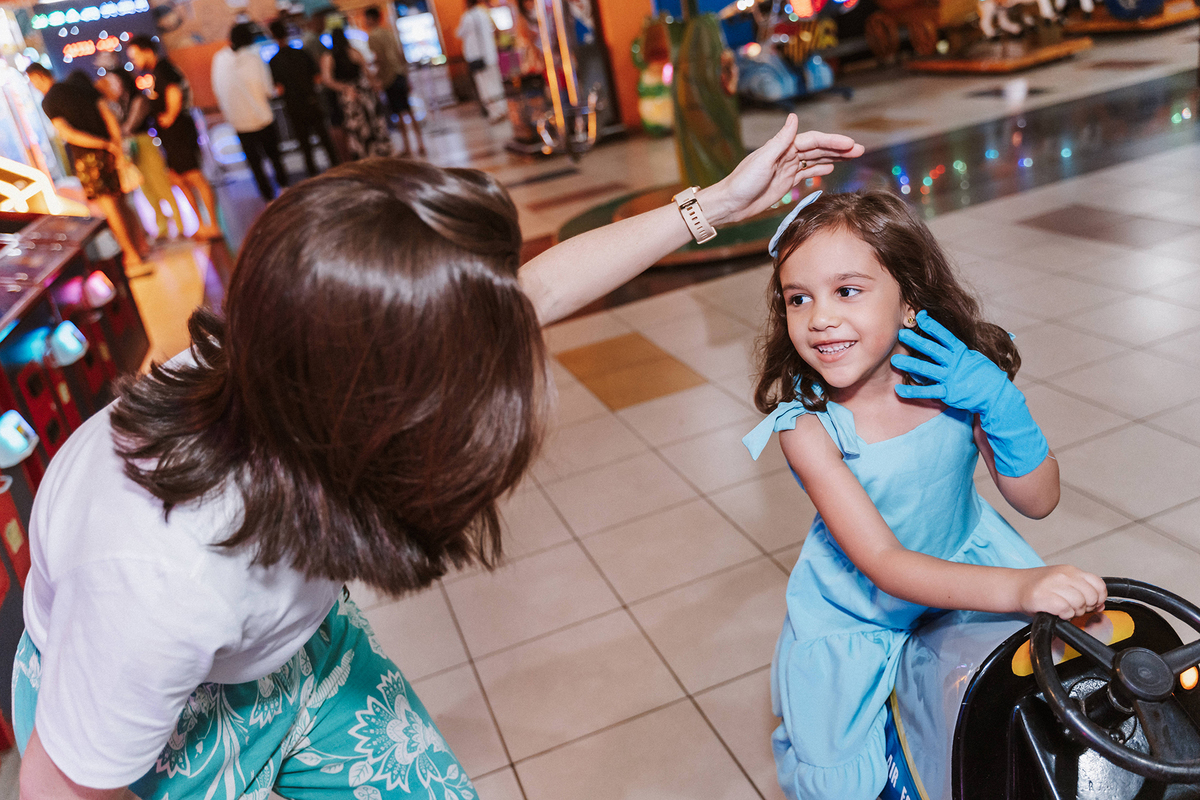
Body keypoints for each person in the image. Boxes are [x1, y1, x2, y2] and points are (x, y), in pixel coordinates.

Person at [12, 115, 863, 799]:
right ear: (391, 416)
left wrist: (713, 203)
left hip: (284, 647)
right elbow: (64, 784)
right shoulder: (160, 579)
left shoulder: (316, 356)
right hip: (148, 721)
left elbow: (540, 289)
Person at [740, 190, 1107, 800]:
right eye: (798, 298)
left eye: (847, 291)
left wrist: (1000, 403)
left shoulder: (955, 381)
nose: (819, 318)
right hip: (859, 607)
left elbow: (1038, 499)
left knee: (1026, 725)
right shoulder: (805, 427)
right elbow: (884, 565)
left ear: (910, 298)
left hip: (966, 563)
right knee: (847, 771)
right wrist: (1020, 588)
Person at [25, 64, 148, 276]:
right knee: (122, 201)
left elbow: (68, 133)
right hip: (110, 150)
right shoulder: (78, 86)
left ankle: (132, 256)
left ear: (38, 77)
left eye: (32, 80)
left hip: (88, 158)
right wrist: (114, 145)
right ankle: (143, 246)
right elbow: (107, 114)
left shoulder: (49, 101)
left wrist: (100, 144)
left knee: (110, 208)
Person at [126, 35, 222, 239]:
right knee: (178, 178)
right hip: (172, 137)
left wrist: (170, 115)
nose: (134, 61)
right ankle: (201, 225)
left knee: (194, 177)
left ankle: (212, 225)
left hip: (179, 134)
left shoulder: (163, 69)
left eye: (135, 56)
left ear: (147, 51)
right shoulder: (158, 71)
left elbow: (174, 91)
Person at [99, 68, 186, 241]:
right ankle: (161, 228)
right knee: (146, 189)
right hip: (131, 147)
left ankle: (180, 225)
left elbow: (129, 125)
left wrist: (116, 129)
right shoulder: (118, 103)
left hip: (144, 142)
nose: (114, 86)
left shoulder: (138, 99)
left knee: (161, 184)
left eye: (115, 81)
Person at [211, 22, 289, 202]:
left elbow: (217, 90)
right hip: (262, 117)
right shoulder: (254, 58)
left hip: (239, 121)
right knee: (274, 156)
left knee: (254, 162)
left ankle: (267, 196)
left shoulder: (219, 59)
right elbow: (268, 90)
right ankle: (284, 188)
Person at [268, 19, 340, 177]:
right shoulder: (302, 53)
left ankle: (313, 176)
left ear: (272, 35)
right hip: (312, 101)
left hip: (293, 107)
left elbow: (278, 89)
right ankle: (338, 170)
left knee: (304, 144)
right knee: (324, 139)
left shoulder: (273, 61)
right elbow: (317, 77)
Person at [320, 26, 393, 160]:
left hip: (348, 96)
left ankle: (363, 155)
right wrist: (374, 84)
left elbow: (327, 80)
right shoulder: (353, 52)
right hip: (361, 93)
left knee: (357, 127)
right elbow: (367, 72)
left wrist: (345, 88)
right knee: (370, 122)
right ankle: (377, 153)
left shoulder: (329, 56)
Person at [363, 6, 424, 157]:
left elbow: (379, 59)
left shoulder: (373, 36)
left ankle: (407, 146)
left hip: (389, 78)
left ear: (371, 18)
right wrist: (405, 74)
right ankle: (420, 143)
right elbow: (400, 53)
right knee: (409, 110)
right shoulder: (389, 32)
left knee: (398, 114)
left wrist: (376, 79)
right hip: (400, 74)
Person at [455, 0, 506, 122]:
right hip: (490, 55)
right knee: (495, 83)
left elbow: (458, 33)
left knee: (484, 86)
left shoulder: (468, 16)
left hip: (478, 57)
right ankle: (502, 109)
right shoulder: (484, 13)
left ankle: (494, 112)